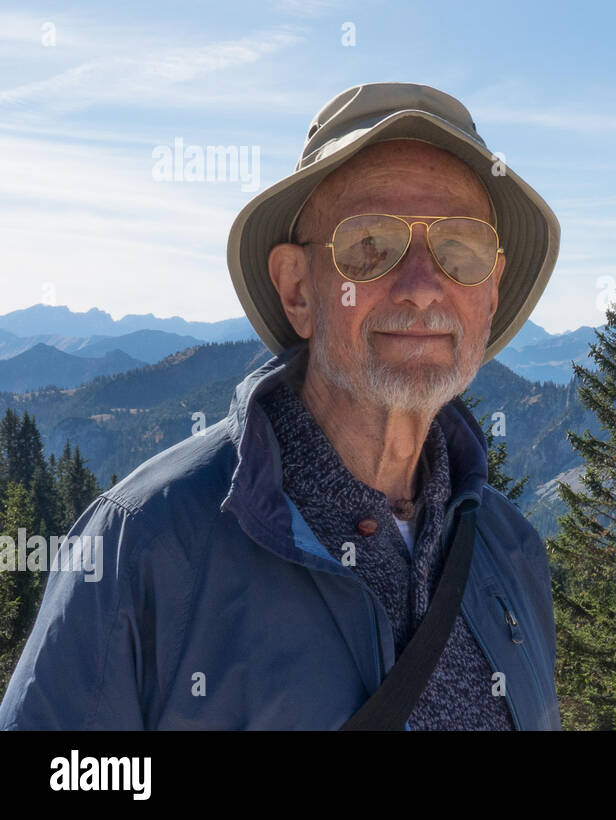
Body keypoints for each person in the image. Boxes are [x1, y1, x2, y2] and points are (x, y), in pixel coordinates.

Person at [0, 83, 562, 729]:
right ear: (297, 289)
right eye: (370, 246)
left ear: (488, 297)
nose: (420, 288)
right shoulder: (144, 541)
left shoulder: (509, 546)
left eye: (460, 248)